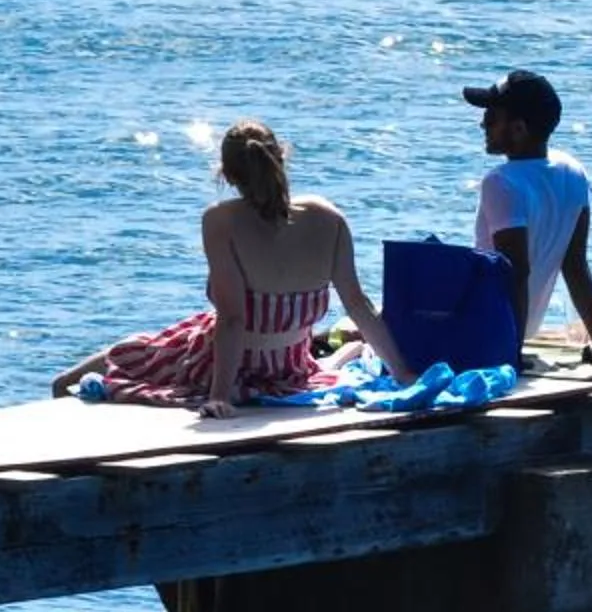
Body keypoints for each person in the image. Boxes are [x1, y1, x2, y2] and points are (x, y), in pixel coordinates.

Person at [53, 121, 409, 415]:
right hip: (290, 368)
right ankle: (345, 352)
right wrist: (403, 373)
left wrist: (219, 395)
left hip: (223, 365)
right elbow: (357, 304)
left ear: (226, 174)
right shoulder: (327, 217)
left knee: (89, 373)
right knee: (184, 334)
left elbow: (234, 319)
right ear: (281, 157)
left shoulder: (220, 220)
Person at [467, 69, 592, 346]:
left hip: (488, 329)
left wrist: (511, 353)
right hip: (523, 327)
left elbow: (516, 274)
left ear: (519, 129)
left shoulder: (501, 182)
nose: (483, 125)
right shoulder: (573, 171)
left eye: (492, 118)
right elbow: (576, 267)